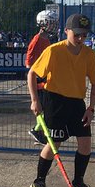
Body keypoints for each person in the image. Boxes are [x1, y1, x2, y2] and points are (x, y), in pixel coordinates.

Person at [27, 13, 95, 187]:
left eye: (84, 35)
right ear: (66, 31)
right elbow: (32, 74)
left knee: (85, 145)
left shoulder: (89, 55)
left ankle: (79, 182)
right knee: (53, 144)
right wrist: (35, 100)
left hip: (77, 103)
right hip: (55, 100)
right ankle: (39, 181)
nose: (81, 38)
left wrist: (90, 108)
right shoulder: (54, 51)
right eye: (77, 34)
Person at [25, 9, 59, 144]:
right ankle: (38, 130)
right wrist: (35, 76)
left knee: (47, 106)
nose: (53, 26)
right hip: (38, 78)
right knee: (43, 105)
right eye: (51, 23)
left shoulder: (46, 40)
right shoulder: (37, 40)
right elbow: (29, 61)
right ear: (43, 23)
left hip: (44, 76)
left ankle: (40, 130)